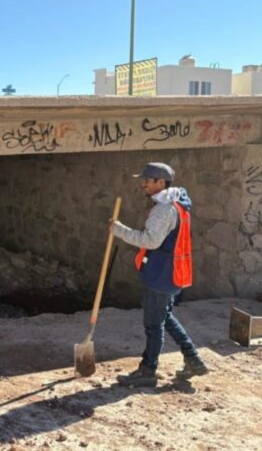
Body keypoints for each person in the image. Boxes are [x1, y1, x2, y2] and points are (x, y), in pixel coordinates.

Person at [110, 162, 208, 387]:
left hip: (161, 275)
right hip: (169, 274)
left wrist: (119, 230)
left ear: (161, 182)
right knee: (164, 317)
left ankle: (148, 370)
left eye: (148, 180)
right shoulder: (176, 203)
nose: (143, 184)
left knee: (154, 325)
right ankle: (192, 358)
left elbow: (150, 241)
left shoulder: (165, 209)